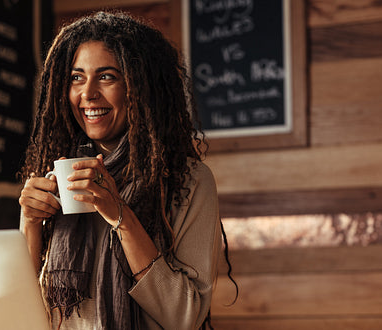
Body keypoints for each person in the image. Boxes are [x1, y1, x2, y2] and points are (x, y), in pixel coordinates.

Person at [19, 11, 234, 330]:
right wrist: (31, 222)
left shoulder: (187, 181)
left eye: (106, 76)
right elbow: (26, 310)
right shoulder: (60, 178)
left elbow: (184, 318)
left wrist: (121, 214)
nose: (87, 93)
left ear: (140, 87)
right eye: (77, 77)